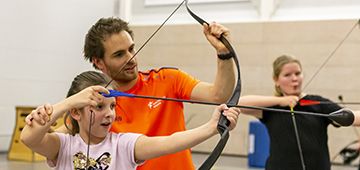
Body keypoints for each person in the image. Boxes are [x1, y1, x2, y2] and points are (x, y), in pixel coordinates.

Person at [26, 17, 236, 170]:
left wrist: (223, 53)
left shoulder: (168, 79)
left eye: (131, 49)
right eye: (119, 54)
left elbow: (219, 95)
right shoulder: (92, 104)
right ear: (99, 62)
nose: (131, 58)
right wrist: (68, 103)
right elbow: (40, 137)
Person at [20, 71, 240, 170]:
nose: (109, 114)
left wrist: (212, 127)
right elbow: (29, 137)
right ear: (76, 113)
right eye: (99, 106)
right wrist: (70, 102)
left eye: (113, 106)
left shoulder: (123, 145)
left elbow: (169, 141)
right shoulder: (63, 145)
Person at [239, 54, 360, 170]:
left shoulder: (317, 103)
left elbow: (353, 117)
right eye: (287, 75)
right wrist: (281, 100)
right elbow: (239, 103)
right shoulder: (272, 107)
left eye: (298, 73)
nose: (294, 78)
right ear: (276, 80)